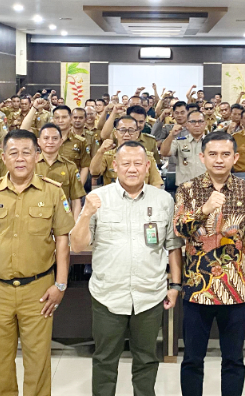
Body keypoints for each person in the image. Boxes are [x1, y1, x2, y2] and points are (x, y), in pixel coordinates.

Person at [0, 130, 75, 396]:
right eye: (14, 153)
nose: (20, 159)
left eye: (26, 153)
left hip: (39, 289)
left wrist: (61, 285)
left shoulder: (53, 192)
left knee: (38, 359)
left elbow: (63, 243)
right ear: (4, 157)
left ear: (37, 156)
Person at [71, 141, 183, 396]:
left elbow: (173, 245)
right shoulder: (98, 199)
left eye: (137, 164)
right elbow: (77, 246)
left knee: (146, 360)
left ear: (147, 166)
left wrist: (175, 285)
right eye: (126, 164)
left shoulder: (164, 200)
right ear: (115, 166)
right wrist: (87, 213)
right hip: (108, 295)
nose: (131, 169)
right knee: (104, 360)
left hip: (149, 295)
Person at [174, 131, 245, 396]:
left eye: (225, 154)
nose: (219, 160)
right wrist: (204, 210)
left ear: (235, 157)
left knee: (234, 361)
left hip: (236, 291)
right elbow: (179, 229)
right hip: (196, 290)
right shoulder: (188, 190)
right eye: (212, 154)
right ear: (202, 157)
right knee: (192, 360)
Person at [90, 116, 164, 188]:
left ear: (137, 134)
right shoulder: (108, 156)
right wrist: (100, 151)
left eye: (131, 130)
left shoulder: (147, 157)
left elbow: (156, 184)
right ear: (115, 133)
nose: (126, 134)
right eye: (122, 130)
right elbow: (94, 172)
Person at [35, 123, 86, 220]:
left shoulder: (70, 166)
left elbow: (76, 199)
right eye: (46, 138)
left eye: (55, 138)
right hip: (35, 219)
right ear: (39, 141)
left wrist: (75, 227)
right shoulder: (30, 165)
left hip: (63, 219)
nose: (50, 142)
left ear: (61, 141)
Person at [160, 110, 207, 185]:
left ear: (205, 124)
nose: (197, 124)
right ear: (187, 125)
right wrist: (171, 135)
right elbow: (164, 153)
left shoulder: (211, 143)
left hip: (206, 187)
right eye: (193, 122)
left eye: (200, 121)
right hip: (184, 188)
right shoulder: (180, 142)